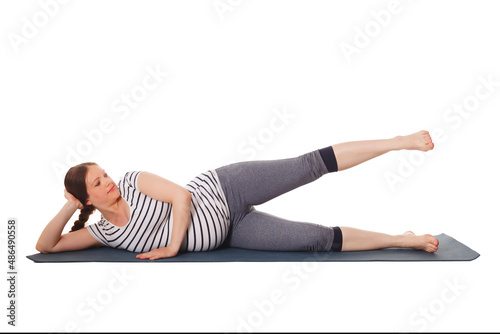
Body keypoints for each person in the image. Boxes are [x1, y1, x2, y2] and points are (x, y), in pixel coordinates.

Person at [36, 130, 439, 260]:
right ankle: (401, 238)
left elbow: (181, 197)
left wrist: (172, 246)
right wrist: (67, 206)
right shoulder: (107, 233)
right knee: (315, 239)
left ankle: (397, 142)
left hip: (225, 188)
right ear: (86, 199)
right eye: (97, 183)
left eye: (104, 174)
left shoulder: (135, 180)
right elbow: (46, 246)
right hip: (235, 232)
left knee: (307, 166)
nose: (109, 181)